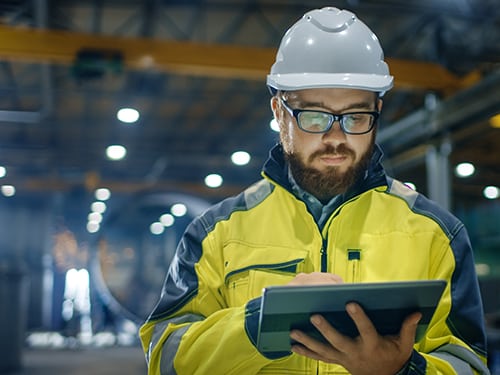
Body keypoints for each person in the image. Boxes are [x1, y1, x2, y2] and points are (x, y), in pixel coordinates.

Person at [140, 7, 489, 375]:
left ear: (377, 111)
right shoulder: (217, 233)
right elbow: (165, 359)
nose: (335, 138)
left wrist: (403, 370)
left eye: (356, 116)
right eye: (315, 117)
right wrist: (255, 326)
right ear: (279, 111)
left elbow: (470, 364)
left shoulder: (436, 234)